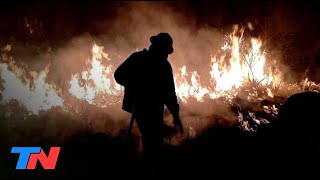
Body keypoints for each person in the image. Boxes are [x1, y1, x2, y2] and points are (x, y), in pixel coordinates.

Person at [114, 32, 184, 157]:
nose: (166, 55)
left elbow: (169, 93)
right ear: (159, 48)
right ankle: (149, 163)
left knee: (151, 136)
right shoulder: (138, 58)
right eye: (165, 51)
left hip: (154, 108)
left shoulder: (164, 66)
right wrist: (133, 85)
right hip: (139, 105)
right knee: (151, 137)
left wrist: (176, 115)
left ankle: (147, 158)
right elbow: (118, 75)